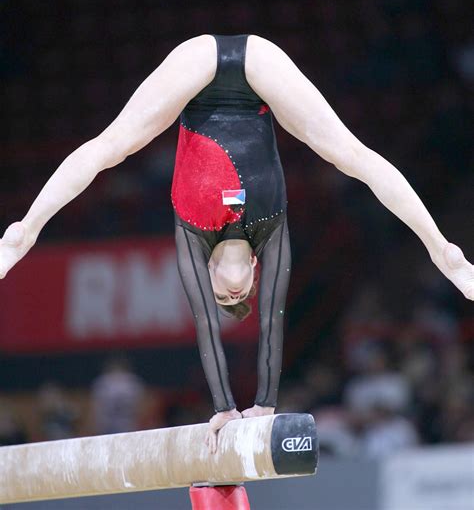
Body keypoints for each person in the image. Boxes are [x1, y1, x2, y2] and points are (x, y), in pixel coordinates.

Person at [0, 34, 472, 453]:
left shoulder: (190, 232)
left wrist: (224, 407)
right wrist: (263, 404)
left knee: (114, 146)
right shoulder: (272, 228)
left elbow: (206, 323)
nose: (228, 293)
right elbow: (273, 322)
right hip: (260, 66)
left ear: (207, 274)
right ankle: (443, 250)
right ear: (254, 273)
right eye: (237, 294)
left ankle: (22, 232)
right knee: (350, 156)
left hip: (196, 67)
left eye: (222, 295)